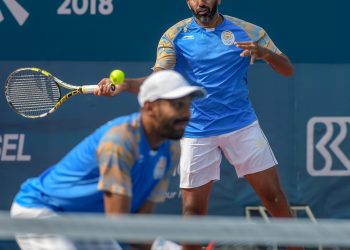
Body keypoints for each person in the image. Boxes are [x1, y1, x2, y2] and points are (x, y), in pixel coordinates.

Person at [96, 0, 296, 249]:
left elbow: (287, 69)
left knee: (275, 198)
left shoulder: (250, 31)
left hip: (242, 126)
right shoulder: (174, 36)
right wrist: (125, 84)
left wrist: (265, 54)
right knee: (192, 213)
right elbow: (159, 80)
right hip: (196, 131)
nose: (201, 2)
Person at [10, 70, 205, 250]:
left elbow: (140, 225)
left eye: (188, 105)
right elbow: (118, 226)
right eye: (177, 105)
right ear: (150, 107)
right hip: (41, 212)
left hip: (87, 221)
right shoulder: (119, 142)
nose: (186, 114)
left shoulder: (171, 149)